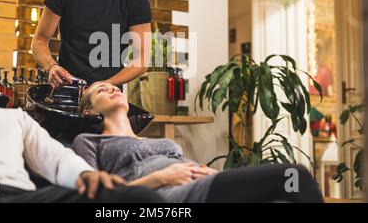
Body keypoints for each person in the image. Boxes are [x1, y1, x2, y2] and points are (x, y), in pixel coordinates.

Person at [0, 56, 163, 203]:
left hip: (22, 197)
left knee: (138, 199)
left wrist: (84, 174)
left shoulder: (13, 116)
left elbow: (56, 158)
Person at [72, 81, 324, 203]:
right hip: (168, 195)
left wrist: (207, 171)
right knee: (294, 175)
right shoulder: (89, 141)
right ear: (89, 111)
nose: (113, 88)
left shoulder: (153, 140)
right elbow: (96, 197)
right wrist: (162, 178)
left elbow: (185, 165)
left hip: (203, 181)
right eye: (101, 90)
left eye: (114, 86)